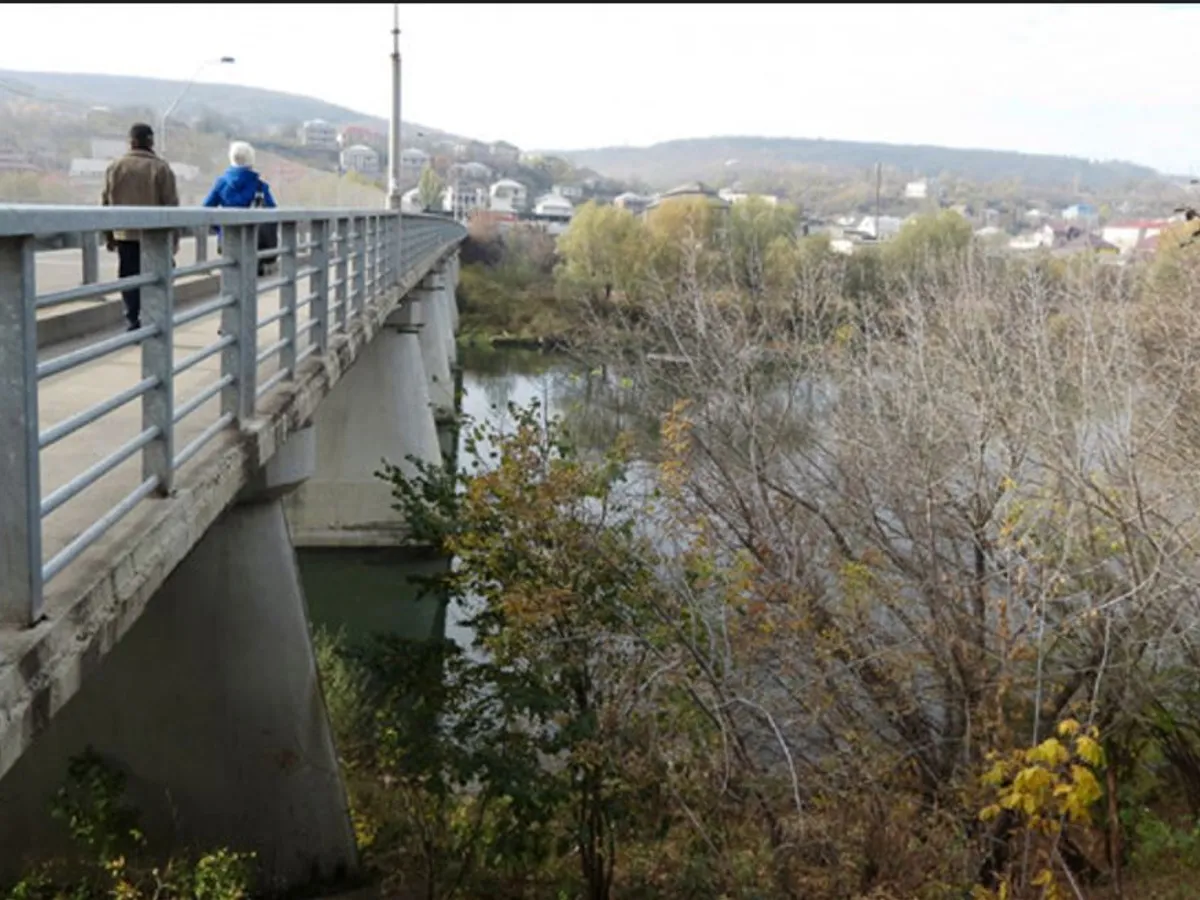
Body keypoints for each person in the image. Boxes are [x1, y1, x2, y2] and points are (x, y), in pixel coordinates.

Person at [101, 123, 180, 331]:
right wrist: (174, 240)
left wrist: (108, 235)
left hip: (124, 234)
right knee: (159, 277)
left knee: (129, 278)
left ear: (132, 142)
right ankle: (153, 319)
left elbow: (106, 203)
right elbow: (172, 206)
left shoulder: (115, 167)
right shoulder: (161, 168)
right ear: (150, 142)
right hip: (155, 237)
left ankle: (132, 320)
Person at [203, 141, 278, 276]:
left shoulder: (221, 184)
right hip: (254, 241)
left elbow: (205, 210)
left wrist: (220, 229)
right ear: (251, 160)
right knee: (251, 279)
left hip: (227, 239)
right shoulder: (260, 186)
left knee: (230, 274)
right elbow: (273, 213)